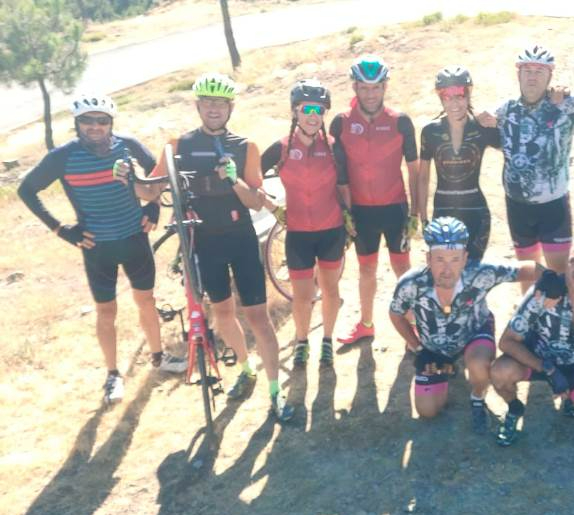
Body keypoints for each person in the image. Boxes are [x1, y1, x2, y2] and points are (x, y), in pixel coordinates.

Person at [138, 73, 292, 422]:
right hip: (203, 241)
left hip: (240, 239)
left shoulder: (245, 146)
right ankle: (244, 368)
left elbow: (256, 202)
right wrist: (128, 178)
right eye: (207, 102)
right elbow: (149, 191)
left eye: (220, 103)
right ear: (197, 106)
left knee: (258, 317)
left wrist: (233, 178)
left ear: (230, 107)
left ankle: (274, 393)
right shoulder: (178, 145)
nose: (213, 109)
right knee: (222, 313)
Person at [17, 93, 186, 404]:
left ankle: (159, 357)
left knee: (146, 300)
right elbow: (26, 189)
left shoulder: (129, 145)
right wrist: (61, 229)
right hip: (97, 247)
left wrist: (152, 209)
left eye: (102, 120)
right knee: (106, 311)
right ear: (77, 123)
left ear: (111, 123)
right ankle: (112, 375)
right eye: (87, 120)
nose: (95, 126)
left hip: (135, 238)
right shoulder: (62, 157)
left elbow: (160, 176)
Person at [389, 217, 546, 433]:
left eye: (454, 259)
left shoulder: (479, 273)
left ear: (465, 258)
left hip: (474, 333)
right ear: (428, 258)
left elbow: (524, 268)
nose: (447, 268)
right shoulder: (410, 283)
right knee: (427, 410)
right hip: (433, 348)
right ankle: (449, 367)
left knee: (480, 365)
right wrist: (417, 348)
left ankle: (477, 397)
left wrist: (551, 278)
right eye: (440, 259)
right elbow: (395, 314)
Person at [477, 45, 574, 288]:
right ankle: (530, 321)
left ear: (550, 76)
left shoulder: (565, 105)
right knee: (528, 274)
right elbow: (484, 126)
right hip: (517, 206)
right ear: (518, 74)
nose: (532, 76)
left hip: (553, 206)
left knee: (559, 274)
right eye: (527, 70)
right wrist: (479, 116)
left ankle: (558, 321)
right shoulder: (505, 109)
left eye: (539, 71)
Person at [491, 241, 574, 446]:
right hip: (535, 359)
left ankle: (572, 395)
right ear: (566, 265)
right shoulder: (544, 293)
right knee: (500, 371)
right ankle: (514, 408)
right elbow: (506, 342)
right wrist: (548, 369)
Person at [260, 79, 354, 369]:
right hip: (298, 233)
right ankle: (302, 342)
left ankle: (326, 340)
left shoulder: (334, 148)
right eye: (307, 109)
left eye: (319, 110)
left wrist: (350, 219)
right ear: (295, 112)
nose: (313, 116)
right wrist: (273, 208)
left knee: (329, 289)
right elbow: (250, 182)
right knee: (301, 297)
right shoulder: (281, 149)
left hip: (331, 230)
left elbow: (344, 186)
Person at [330, 54, 420, 344]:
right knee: (366, 268)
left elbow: (415, 170)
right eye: (364, 88)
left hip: (395, 207)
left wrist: (416, 213)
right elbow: (336, 171)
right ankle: (366, 324)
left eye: (376, 88)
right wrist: (343, 211)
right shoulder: (341, 123)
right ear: (355, 87)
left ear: (385, 87)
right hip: (361, 211)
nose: (370, 94)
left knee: (402, 269)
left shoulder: (400, 122)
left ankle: (414, 326)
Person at [417, 66, 500, 263]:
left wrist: (497, 123)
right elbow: (422, 178)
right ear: (440, 98)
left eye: (460, 94)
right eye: (447, 95)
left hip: (476, 211)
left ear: (468, 94)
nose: (454, 102)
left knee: (472, 275)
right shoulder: (430, 131)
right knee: (445, 275)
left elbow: (513, 148)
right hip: (442, 210)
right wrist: (423, 219)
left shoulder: (481, 127)